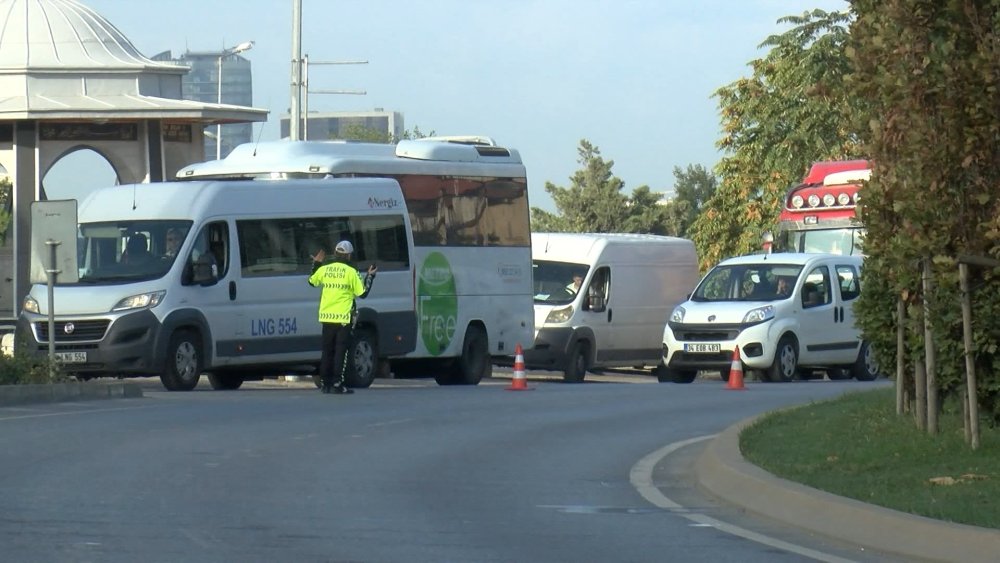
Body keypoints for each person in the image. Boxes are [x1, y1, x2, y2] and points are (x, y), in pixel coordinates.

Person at [308, 240, 377, 394]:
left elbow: (312, 281)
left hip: (327, 316)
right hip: (343, 318)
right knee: (341, 351)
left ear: (335, 253)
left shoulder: (325, 268)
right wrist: (370, 276)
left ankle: (325, 384)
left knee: (327, 351)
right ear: (349, 255)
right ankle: (337, 383)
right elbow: (362, 293)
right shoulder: (351, 272)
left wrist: (316, 264)